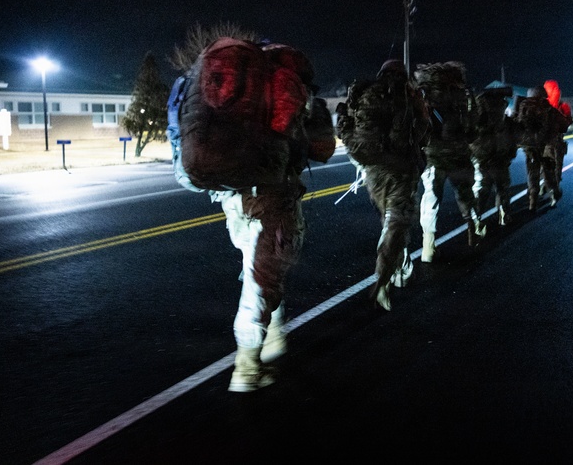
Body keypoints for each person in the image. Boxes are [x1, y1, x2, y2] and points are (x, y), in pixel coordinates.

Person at [169, 26, 336, 393]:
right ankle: (246, 366)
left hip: (231, 194)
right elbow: (324, 149)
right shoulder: (286, 84)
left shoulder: (219, 86)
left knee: (257, 266)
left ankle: (273, 333)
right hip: (273, 196)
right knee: (262, 279)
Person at [335, 59, 431, 310]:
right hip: (401, 170)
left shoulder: (366, 94)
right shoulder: (408, 97)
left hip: (374, 172)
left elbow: (349, 129)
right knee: (395, 223)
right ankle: (385, 278)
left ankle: (398, 269)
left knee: (389, 222)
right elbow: (423, 127)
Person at [415, 61, 486, 262]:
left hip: (432, 156)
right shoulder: (463, 97)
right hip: (459, 156)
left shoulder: (424, 96)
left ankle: (428, 246)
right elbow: (472, 129)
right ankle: (473, 230)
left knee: (431, 198)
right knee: (464, 194)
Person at [513, 85, 567, 211]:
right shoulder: (547, 108)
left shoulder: (522, 106)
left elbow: (515, 123)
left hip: (529, 146)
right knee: (548, 172)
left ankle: (533, 202)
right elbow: (564, 125)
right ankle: (553, 194)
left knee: (532, 174)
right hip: (546, 145)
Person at [469, 85, 518, 226]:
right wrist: (510, 154)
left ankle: (475, 220)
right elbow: (513, 138)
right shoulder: (504, 120)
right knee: (502, 188)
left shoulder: (478, 118)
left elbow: (469, 138)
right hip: (501, 159)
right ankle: (504, 214)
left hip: (481, 159)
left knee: (480, 190)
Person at [543, 79, 573, 187]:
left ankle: (548, 186)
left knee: (546, 166)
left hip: (544, 142)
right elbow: (567, 123)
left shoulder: (542, 104)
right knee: (555, 166)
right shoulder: (559, 106)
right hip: (553, 141)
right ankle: (553, 187)